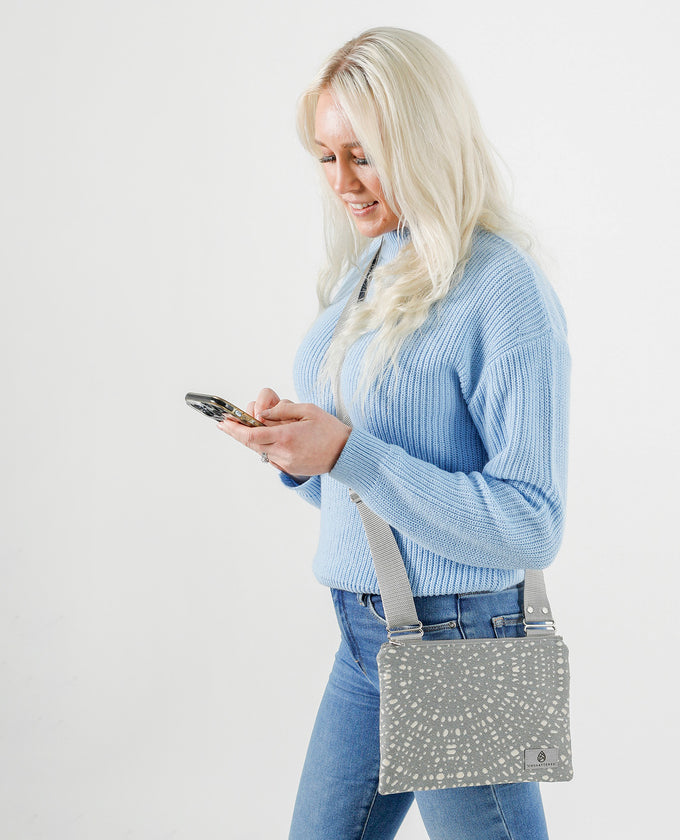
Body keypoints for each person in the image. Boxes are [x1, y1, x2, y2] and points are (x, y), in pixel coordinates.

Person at [218, 27, 570, 840]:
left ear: (421, 141)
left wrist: (347, 452)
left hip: (458, 642)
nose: (342, 182)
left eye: (364, 155)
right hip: (365, 635)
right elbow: (378, 482)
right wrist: (301, 458)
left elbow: (531, 524)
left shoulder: (501, 289)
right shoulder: (372, 265)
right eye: (325, 156)